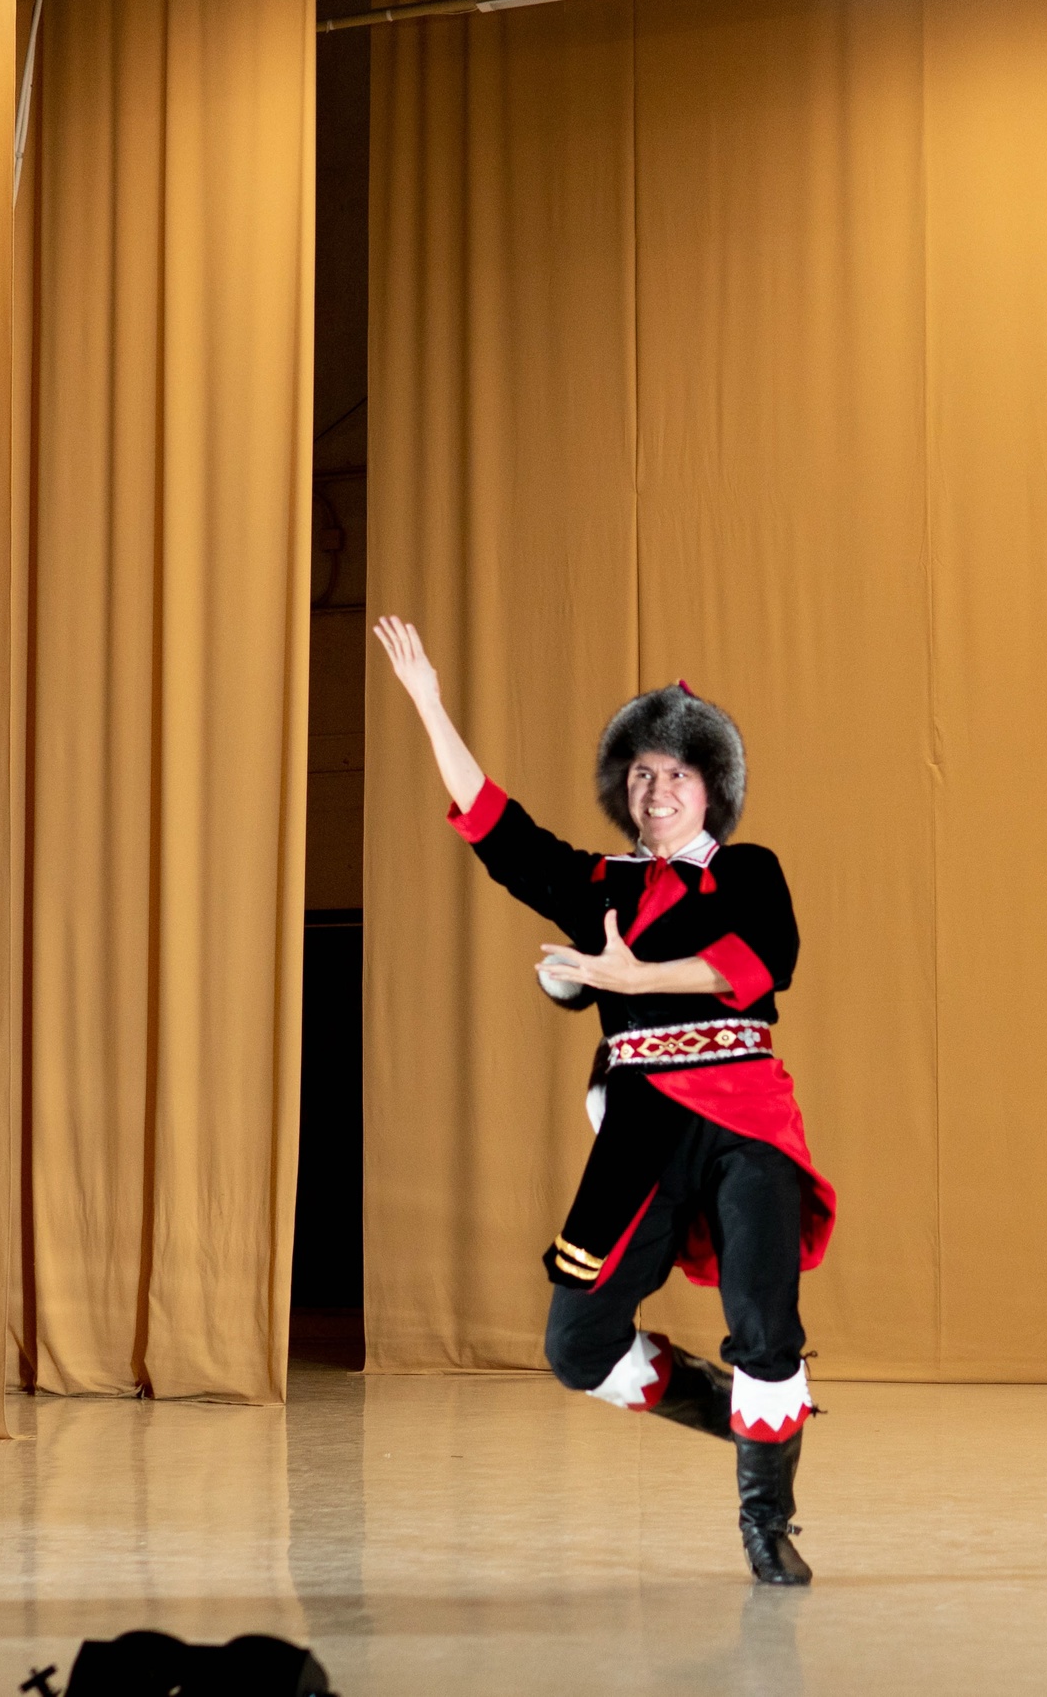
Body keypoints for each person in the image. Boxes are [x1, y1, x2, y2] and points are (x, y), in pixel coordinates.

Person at [373, 616, 836, 1586]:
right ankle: (731, 1410)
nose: (657, 789)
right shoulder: (599, 887)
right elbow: (500, 832)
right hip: (640, 1130)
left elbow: (762, 961)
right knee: (576, 1345)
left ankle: (766, 1520)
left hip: (746, 1116)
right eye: (642, 774)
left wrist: (629, 980)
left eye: (678, 774)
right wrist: (429, 706)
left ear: (711, 790)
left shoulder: (748, 871)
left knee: (765, 1319)